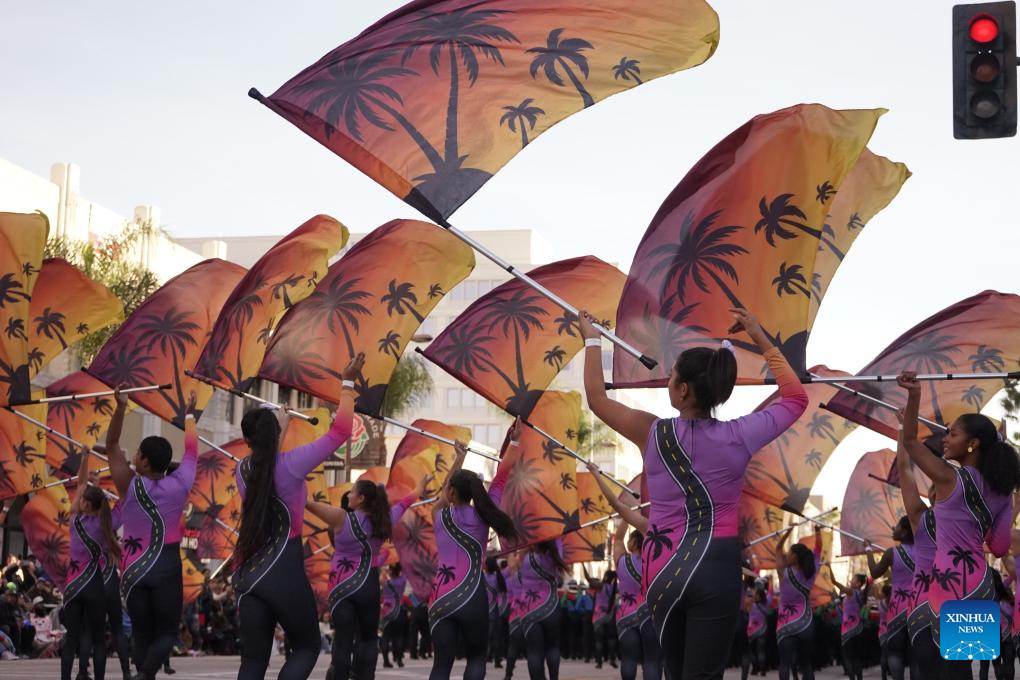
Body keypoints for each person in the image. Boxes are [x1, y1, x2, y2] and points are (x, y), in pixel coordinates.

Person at [580, 307, 808, 679]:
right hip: (717, 567)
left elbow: (596, 398)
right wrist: (760, 337)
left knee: (674, 672)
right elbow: (796, 399)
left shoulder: (651, 431)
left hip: (662, 568)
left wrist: (591, 338)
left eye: (671, 377)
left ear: (683, 389)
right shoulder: (740, 435)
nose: (668, 381)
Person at [231, 353, 363, 680]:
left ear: (247, 440)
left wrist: (281, 424)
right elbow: (340, 432)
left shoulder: (241, 470)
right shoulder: (293, 464)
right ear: (275, 434)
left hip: (248, 574)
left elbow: (266, 457)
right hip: (284, 570)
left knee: (253, 661)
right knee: (305, 646)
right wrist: (346, 384)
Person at [898, 370, 1020, 680]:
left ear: (972, 443)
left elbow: (911, 443)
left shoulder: (950, 478)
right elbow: (999, 547)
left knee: (942, 671)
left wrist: (914, 395)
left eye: (952, 434)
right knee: (962, 669)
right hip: (980, 584)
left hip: (948, 585)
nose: (944, 439)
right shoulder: (1003, 491)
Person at [106, 387, 197, 680]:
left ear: (144, 462)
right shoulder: (181, 483)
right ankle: (145, 674)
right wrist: (191, 416)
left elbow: (110, 443)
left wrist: (120, 407)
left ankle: (143, 674)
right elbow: (192, 450)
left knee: (142, 630)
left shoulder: (128, 485)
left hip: (132, 570)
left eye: (138, 452)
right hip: (167, 568)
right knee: (167, 632)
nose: (133, 455)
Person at [429, 434, 520, 680]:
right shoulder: (484, 514)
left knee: (440, 666)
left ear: (451, 492)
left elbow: (442, 494)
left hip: (441, 596)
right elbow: (500, 479)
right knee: (477, 659)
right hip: (473, 595)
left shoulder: (438, 514)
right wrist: (513, 443)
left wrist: (459, 459)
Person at [61, 447, 119, 680]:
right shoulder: (107, 525)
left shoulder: (75, 520)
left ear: (85, 504)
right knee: (98, 639)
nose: (80, 499)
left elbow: (81, 483)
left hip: (73, 587)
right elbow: (88, 488)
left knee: (71, 638)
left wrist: (84, 458)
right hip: (96, 587)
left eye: (83, 499)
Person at [894, 429, 942, 678]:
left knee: (925, 670)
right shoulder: (973, 516)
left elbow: (905, 469)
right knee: (962, 670)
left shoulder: (919, 518)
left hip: (923, 604)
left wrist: (904, 431)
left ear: (932, 495)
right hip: (968, 600)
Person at [864, 516, 914, 680]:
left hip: (898, 608)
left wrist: (868, 550)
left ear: (905, 531)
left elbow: (874, 572)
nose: (894, 528)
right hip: (921, 607)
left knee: (895, 653)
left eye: (897, 526)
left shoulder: (892, 553)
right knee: (917, 659)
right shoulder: (927, 550)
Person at [775, 525, 822, 680]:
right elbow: (818, 549)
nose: (787, 555)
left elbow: (778, 548)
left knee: (785, 664)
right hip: (805, 622)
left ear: (794, 556)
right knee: (807, 664)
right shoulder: (811, 571)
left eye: (790, 553)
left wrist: (787, 531)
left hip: (785, 624)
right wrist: (817, 532)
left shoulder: (783, 571)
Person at [829, 569, 867, 680]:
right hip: (859, 629)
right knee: (857, 658)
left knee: (848, 658)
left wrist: (829, 567)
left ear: (858, 583)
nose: (851, 580)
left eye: (853, 579)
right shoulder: (861, 594)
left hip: (847, 631)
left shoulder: (851, 592)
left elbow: (834, 582)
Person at [978, 568, 1014, 680]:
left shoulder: (983, 593)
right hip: (1004, 635)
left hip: (985, 634)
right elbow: (1010, 578)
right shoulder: (1002, 592)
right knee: (998, 664)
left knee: (984, 666)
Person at [380, 563, 409, 669]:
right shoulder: (402, 581)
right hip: (399, 609)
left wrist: (385, 570)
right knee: (399, 636)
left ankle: (386, 661)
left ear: (390, 571)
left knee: (386, 636)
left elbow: (382, 575)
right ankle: (399, 659)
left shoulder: (386, 582)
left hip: (387, 610)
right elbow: (406, 571)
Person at [484, 556, 508, 669]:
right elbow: (504, 596)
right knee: (497, 638)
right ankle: (497, 661)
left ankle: (484, 658)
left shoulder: (484, 578)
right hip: (497, 611)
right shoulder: (499, 577)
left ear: (487, 566)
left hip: (485, 611)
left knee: (486, 637)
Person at [742, 587, 770, 680]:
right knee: (761, 651)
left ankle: (755, 669)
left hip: (751, 631)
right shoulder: (767, 602)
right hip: (763, 629)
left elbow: (744, 607)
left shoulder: (750, 603)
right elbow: (770, 593)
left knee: (751, 652)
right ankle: (762, 671)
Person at [591, 572, 617, 669]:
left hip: (598, 617)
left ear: (605, 576)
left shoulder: (600, 586)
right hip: (610, 616)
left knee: (599, 641)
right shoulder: (614, 587)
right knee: (612, 639)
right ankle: (612, 660)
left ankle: (599, 662)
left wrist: (583, 564)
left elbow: (588, 578)